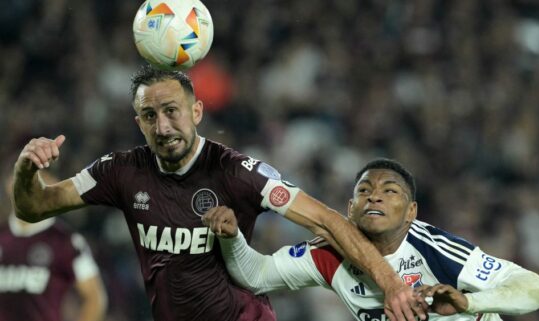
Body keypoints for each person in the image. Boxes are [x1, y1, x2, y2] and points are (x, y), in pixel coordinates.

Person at [12, 65, 426, 321]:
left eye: (172, 111)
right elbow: (33, 208)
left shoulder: (238, 171)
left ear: (196, 111)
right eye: (150, 116)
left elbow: (327, 221)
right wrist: (26, 170)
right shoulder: (120, 171)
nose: (163, 126)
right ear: (138, 122)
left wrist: (390, 283)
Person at [203, 158, 539, 321]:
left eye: (390, 191)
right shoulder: (328, 254)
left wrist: (470, 304)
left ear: (411, 212)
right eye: (364, 190)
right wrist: (232, 239)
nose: (375, 196)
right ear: (349, 208)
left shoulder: (435, 249)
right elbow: (257, 276)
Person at [0, 171, 107, 321]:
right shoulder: (2, 236)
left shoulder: (66, 242)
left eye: (38, 179)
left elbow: (95, 299)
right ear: (9, 184)